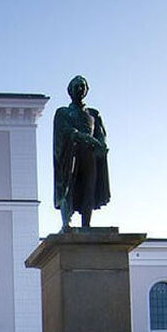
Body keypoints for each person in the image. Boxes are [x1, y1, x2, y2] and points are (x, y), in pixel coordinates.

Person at [53, 75, 110, 230]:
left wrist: (102, 145)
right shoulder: (63, 113)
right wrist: (81, 136)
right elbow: (63, 131)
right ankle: (66, 223)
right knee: (67, 187)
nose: (80, 89)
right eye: (77, 86)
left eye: (82, 86)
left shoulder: (93, 114)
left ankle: (86, 225)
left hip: (89, 156)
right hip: (70, 154)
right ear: (70, 90)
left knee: (89, 188)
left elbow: (100, 133)